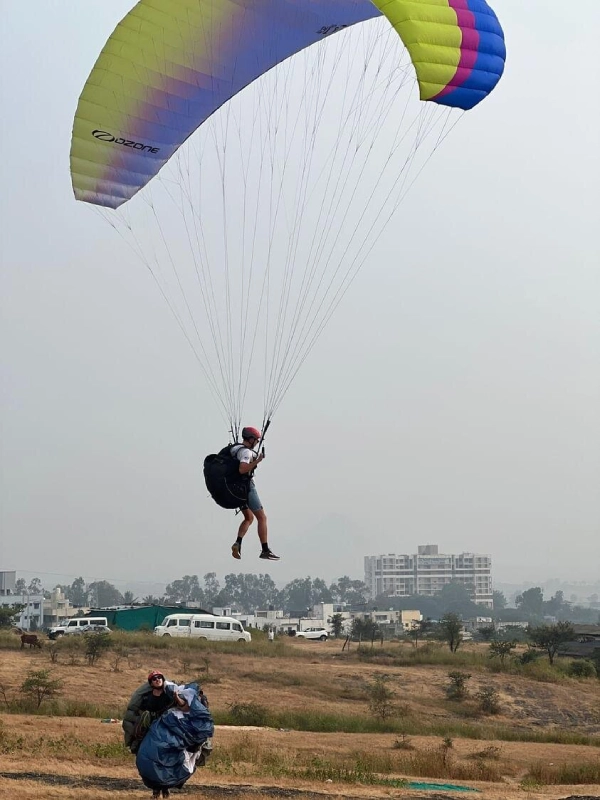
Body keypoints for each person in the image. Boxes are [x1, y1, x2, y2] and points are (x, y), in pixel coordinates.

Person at [136, 683, 214, 798]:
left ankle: (163, 788)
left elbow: (196, 717)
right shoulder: (170, 707)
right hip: (165, 735)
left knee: (171, 763)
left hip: (183, 741)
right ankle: (158, 789)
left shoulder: (197, 704)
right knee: (158, 759)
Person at [230, 426, 279, 561]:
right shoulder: (246, 452)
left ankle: (238, 543)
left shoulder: (235, 448)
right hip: (247, 488)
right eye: (256, 440)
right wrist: (257, 461)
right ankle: (265, 550)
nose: (257, 442)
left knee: (249, 518)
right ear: (251, 439)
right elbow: (242, 469)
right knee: (262, 517)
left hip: (236, 489)